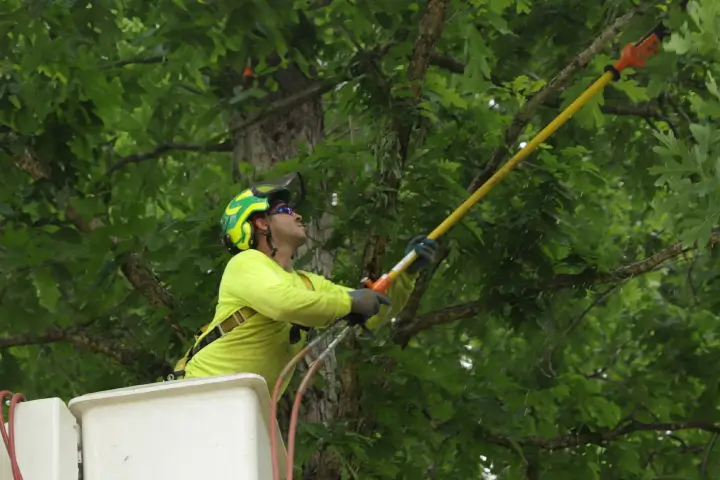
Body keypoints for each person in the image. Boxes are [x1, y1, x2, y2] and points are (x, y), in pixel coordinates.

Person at [173, 172, 437, 397]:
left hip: (243, 404)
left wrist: (405, 273)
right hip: (198, 393)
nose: (298, 215)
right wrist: (349, 301)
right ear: (261, 222)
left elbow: (374, 312)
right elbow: (281, 302)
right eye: (286, 210)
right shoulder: (246, 263)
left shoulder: (308, 284)